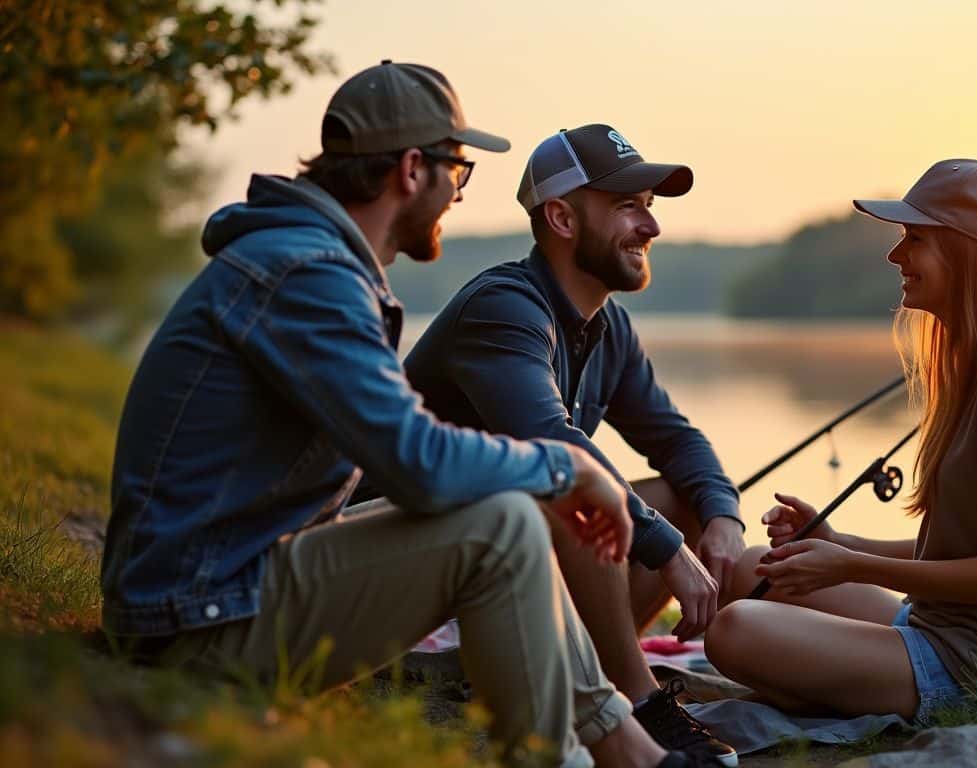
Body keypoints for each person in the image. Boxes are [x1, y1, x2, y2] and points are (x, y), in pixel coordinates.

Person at [100, 61, 705, 768]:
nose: (458, 191)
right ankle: (598, 754)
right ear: (413, 169)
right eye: (460, 170)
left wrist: (546, 475)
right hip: (195, 619)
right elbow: (413, 460)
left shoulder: (312, 261)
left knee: (511, 500)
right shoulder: (307, 274)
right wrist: (564, 463)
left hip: (216, 583)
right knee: (504, 519)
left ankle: (623, 746)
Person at [704, 159, 977, 727]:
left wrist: (849, 566)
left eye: (914, 239)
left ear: (965, 251)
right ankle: (837, 684)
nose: (895, 257)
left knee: (735, 629)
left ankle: (842, 691)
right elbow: (962, 552)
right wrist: (837, 542)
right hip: (944, 632)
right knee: (751, 571)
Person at [398, 124, 741, 765]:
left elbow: (675, 438)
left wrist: (721, 517)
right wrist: (668, 550)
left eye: (650, 207)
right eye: (627, 206)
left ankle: (594, 676)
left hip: (512, 565)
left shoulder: (606, 326)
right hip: (418, 564)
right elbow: (554, 442)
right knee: (573, 493)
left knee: (682, 499)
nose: (651, 227)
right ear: (560, 217)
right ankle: (637, 699)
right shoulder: (503, 309)